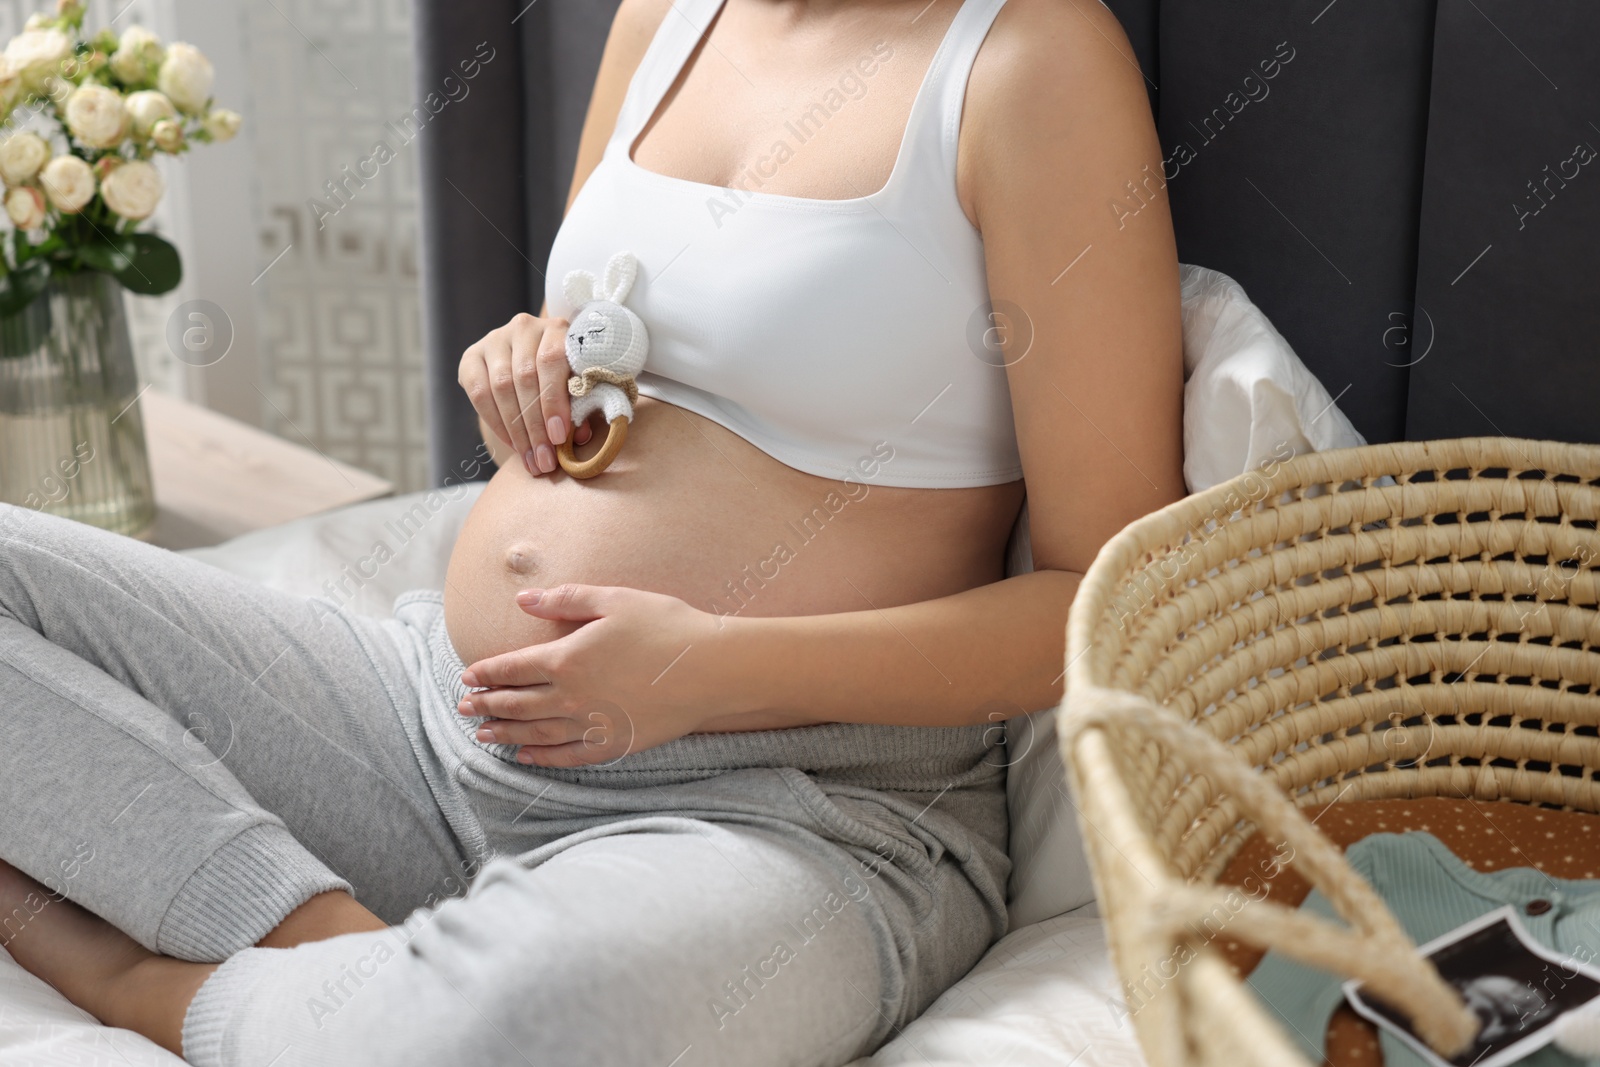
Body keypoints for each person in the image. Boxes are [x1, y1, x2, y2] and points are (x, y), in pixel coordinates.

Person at [0, 0, 1182, 1063]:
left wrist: (704, 672)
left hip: (796, 806)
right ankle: (321, 943)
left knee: (523, 1019)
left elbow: (1107, 599)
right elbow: (605, 339)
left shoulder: (1028, 61)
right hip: (442, 715)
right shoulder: (664, 16)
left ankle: (150, 982)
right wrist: (519, 358)